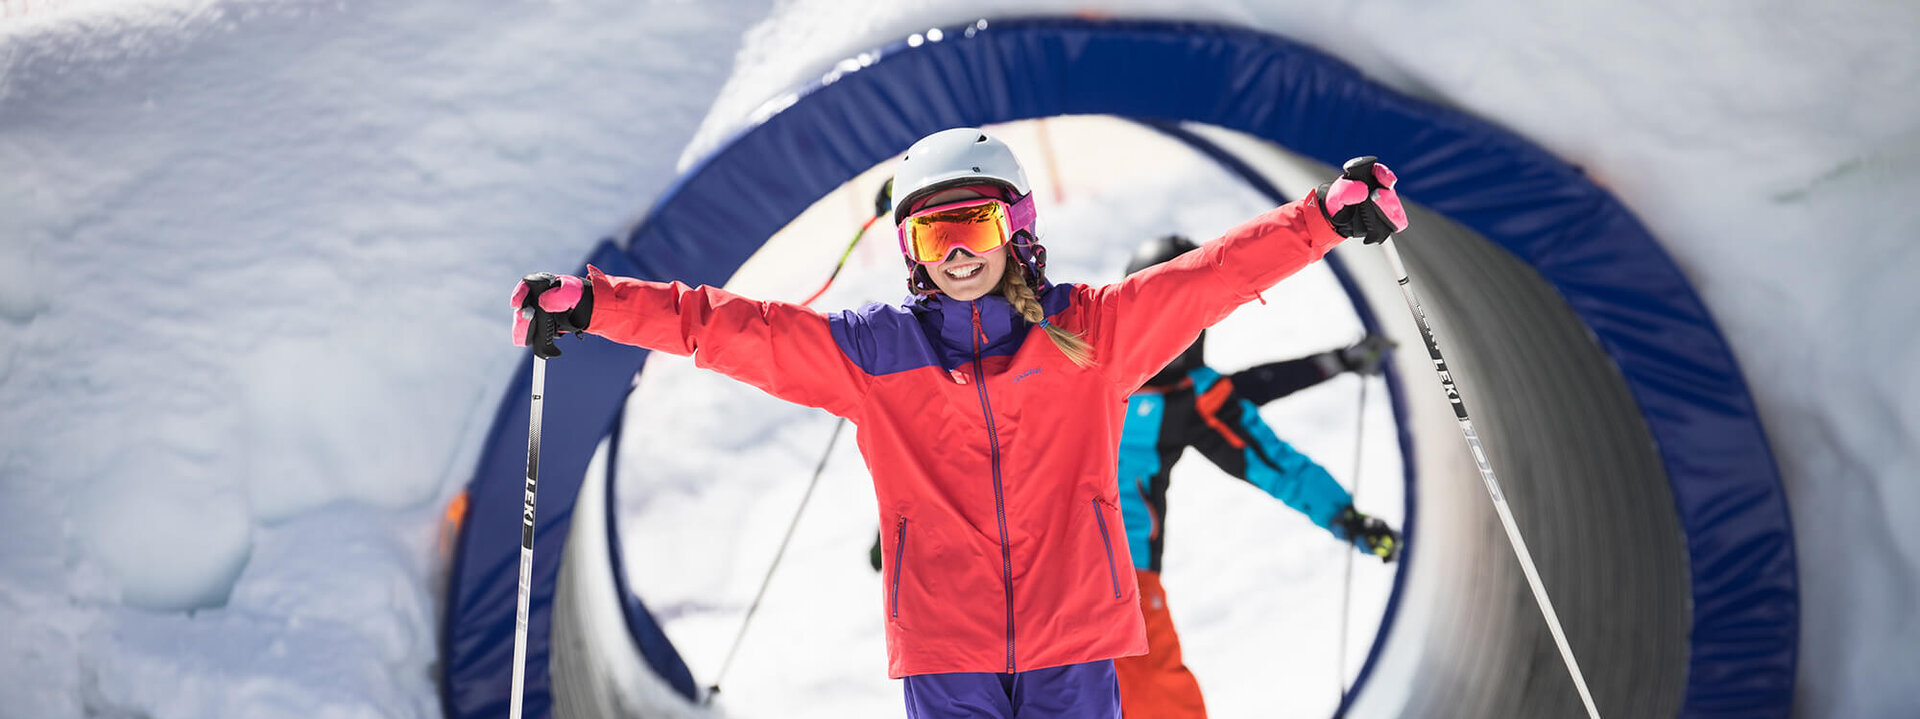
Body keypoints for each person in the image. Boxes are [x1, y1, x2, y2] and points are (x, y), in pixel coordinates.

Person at [512, 129, 1411, 719]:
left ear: (1015, 228)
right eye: (936, 238)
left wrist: (1323, 218)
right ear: (910, 251)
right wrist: (594, 303)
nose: (959, 255)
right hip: (948, 647)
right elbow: (724, 328)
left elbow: (1210, 276)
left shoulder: (1088, 333)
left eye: (975, 228)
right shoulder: (874, 354)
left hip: (1075, 638)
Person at [1109, 234, 1403, 719]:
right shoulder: (1179, 394)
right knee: (1147, 697)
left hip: (1063, 573)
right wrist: (1347, 519)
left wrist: (1338, 363)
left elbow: (1255, 415)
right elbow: (1272, 458)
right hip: (1104, 578)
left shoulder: (1113, 370)